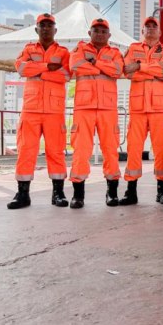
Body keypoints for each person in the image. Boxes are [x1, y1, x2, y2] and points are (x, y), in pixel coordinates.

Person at [7, 13, 71, 209]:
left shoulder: (63, 52)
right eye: (42, 26)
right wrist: (47, 67)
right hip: (31, 109)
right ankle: (23, 194)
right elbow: (21, 69)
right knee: (26, 150)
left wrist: (37, 69)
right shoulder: (28, 49)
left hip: (54, 110)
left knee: (56, 152)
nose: (46, 29)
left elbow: (66, 74)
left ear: (55, 30)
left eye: (49, 26)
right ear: (36, 29)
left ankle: (58, 193)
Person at [69, 18, 124, 208]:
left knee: (111, 149)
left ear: (109, 35)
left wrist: (95, 62)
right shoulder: (80, 49)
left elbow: (117, 71)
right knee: (81, 150)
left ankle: (112, 193)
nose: (100, 34)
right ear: (89, 33)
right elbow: (75, 65)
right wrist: (102, 66)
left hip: (108, 109)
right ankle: (78, 195)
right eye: (96, 30)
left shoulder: (115, 52)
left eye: (103, 31)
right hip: (84, 108)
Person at [120, 17, 163, 206]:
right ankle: (131, 191)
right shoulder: (133, 48)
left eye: (154, 27)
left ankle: (162, 191)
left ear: (160, 32)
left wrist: (140, 66)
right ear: (142, 31)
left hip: (159, 109)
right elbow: (127, 71)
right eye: (147, 27)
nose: (151, 29)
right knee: (133, 149)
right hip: (138, 108)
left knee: (161, 150)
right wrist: (149, 71)